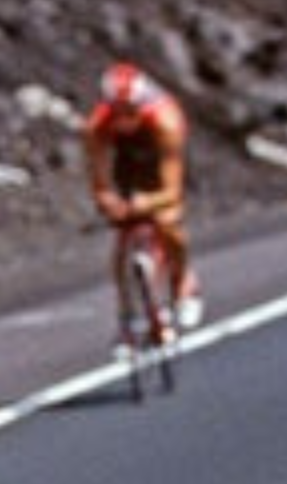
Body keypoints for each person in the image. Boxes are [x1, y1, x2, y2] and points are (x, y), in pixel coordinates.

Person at [83, 62, 203, 337]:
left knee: (168, 220)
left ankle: (183, 280)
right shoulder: (97, 126)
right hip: (125, 161)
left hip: (157, 158)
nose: (124, 119)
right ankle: (127, 310)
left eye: (130, 112)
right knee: (122, 234)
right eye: (118, 112)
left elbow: (172, 190)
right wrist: (107, 199)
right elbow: (99, 175)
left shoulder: (165, 120)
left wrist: (148, 203)